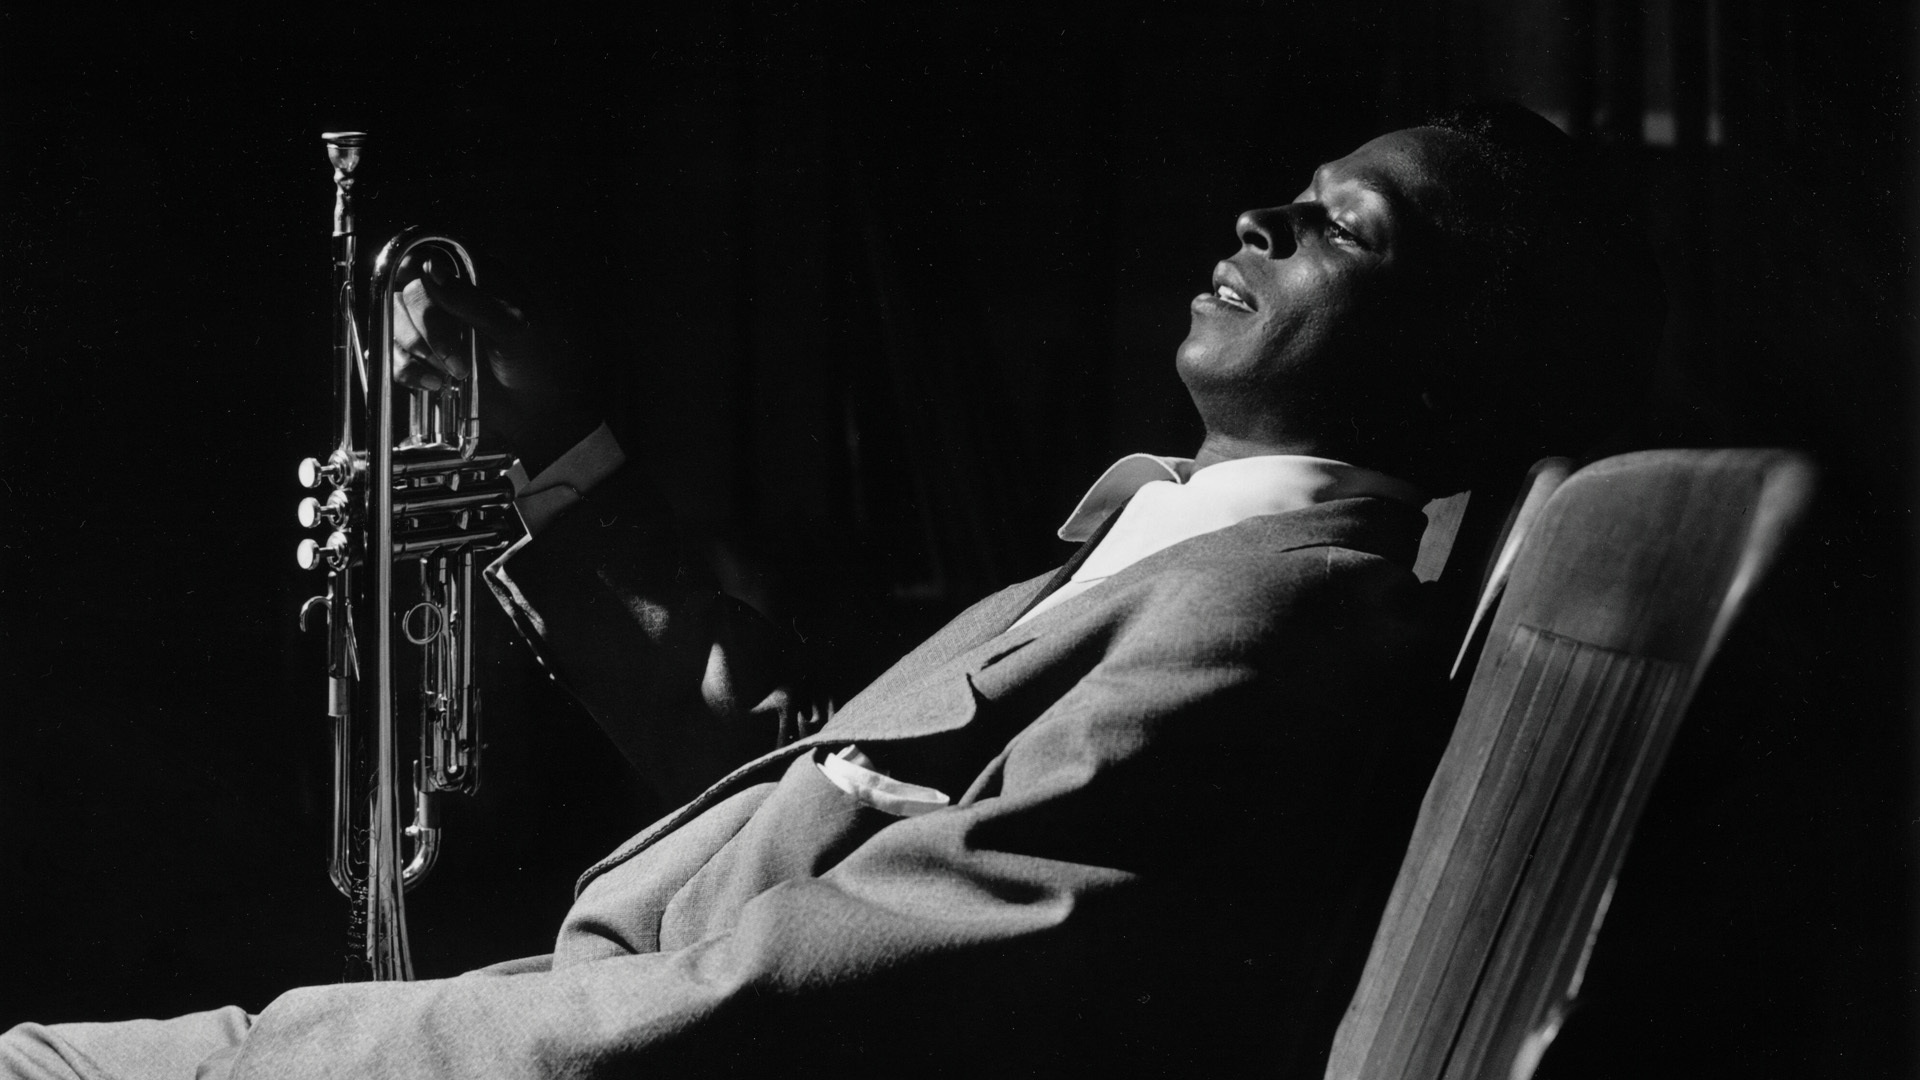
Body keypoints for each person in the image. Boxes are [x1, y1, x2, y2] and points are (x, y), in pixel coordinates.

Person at [2, 101, 1661, 1078]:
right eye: (1297, 191)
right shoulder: (1179, 541)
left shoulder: (1271, 614)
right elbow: (826, 765)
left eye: (1341, 231)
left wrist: (298, 1055)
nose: (1263, 214)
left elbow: (787, 1004)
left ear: (1445, 357)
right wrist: (552, 464)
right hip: (586, 1005)